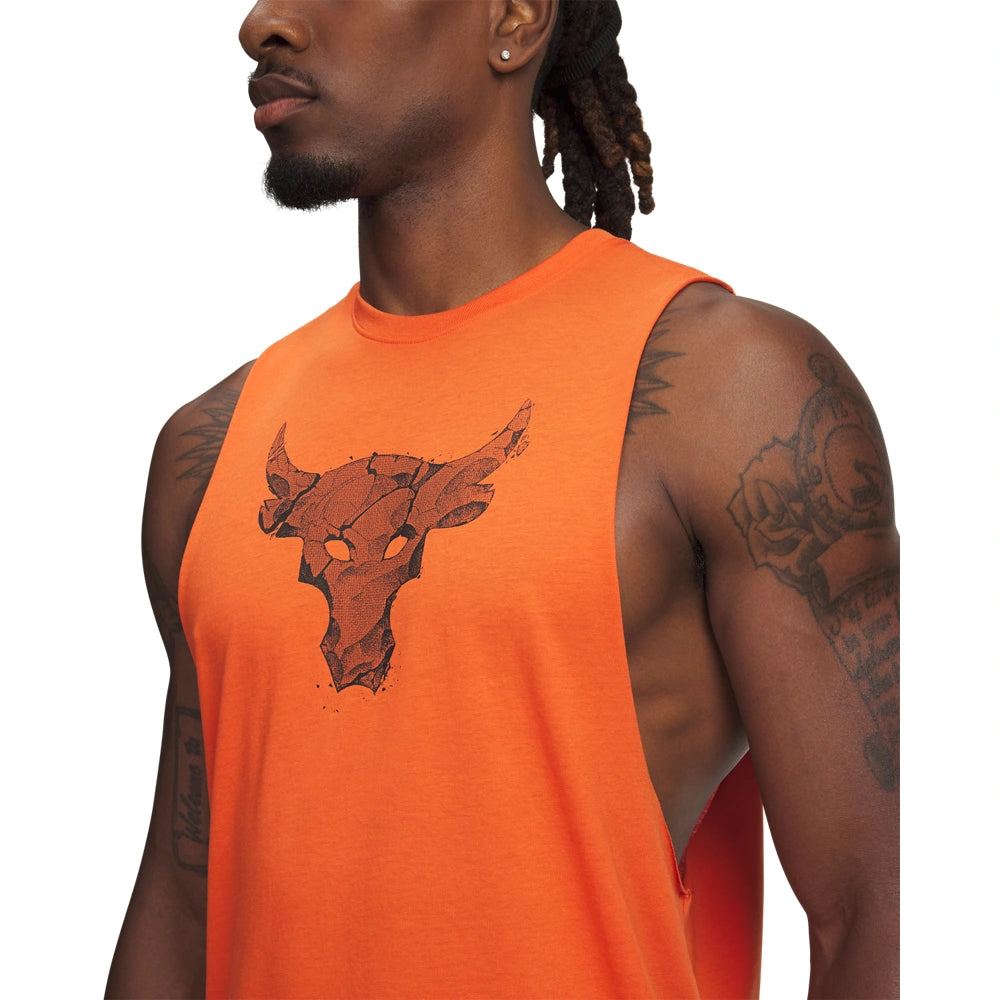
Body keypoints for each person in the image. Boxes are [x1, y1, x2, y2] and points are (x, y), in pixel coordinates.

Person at [106, 1, 899, 997]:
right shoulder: (209, 449)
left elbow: (867, 912)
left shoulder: (728, 394)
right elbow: (183, 906)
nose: (263, 22)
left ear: (513, 18)